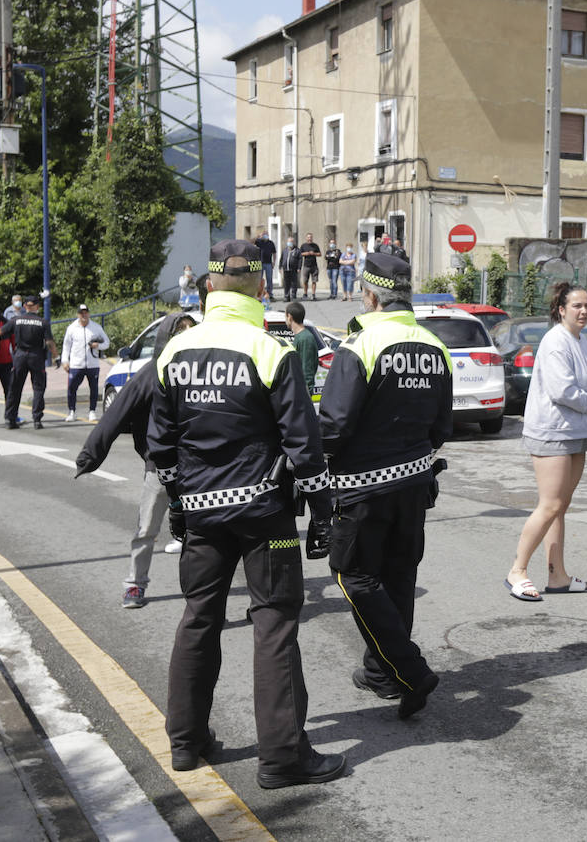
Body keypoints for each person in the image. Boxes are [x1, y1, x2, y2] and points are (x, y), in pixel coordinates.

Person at [147, 238, 342, 788]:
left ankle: (186, 743)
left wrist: (180, 508)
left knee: (199, 619)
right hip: (265, 517)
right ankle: (282, 758)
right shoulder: (272, 352)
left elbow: (159, 449)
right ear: (261, 288)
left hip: (203, 515)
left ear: (209, 286)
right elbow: (306, 450)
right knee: (274, 625)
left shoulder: (172, 353)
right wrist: (323, 514)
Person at [319, 251, 452, 718]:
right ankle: (380, 672)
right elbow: (441, 427)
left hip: (361, 489)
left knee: (353, 574)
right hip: (414, 485)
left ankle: (408, 668)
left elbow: (333, 426)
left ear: (369, 295)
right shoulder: (435, 346)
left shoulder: (360, 345)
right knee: (398, 575)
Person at [76, 312, 197, 608]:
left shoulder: (204, 372)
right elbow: (116, 415)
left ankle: (199, 593)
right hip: (160, 467)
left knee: (202, 536)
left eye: (190, 330)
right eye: (179, 330)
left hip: (199, 468)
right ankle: (135, 584)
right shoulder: (151, 373)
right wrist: (89, 456)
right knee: (147, 529)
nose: (185, 335)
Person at [505, 282, 587, 600]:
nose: (584, 311)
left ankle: (557, 576)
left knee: (561, 506)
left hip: (575, 431)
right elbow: (563, 391)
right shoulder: (556, 341)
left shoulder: (581, 340)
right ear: (561, 310)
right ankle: (517, 570)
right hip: (552, 431)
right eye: (577, 306)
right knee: (549, 506)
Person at [0, 296, 58, 430]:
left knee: (15, 388)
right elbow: (49, 342)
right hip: (36, 356)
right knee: (38, 388)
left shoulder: (16, 320)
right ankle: (37, 420)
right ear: (37, 307)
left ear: (25, 306)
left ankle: (10, 419)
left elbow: (0, 332)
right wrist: (56, 357)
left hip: (20, 356)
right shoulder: (42, 322)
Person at [62, 305, 110, 422]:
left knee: (93, 388)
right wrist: (65, 361)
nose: (84, 315)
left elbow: (107, 343)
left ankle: (92, 411)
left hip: (92, 364)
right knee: (72, 388)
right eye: (81, 313)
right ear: (78, 314)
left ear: (88, 313)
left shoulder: (96, 327)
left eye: (85, 312)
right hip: (76, 364)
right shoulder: (72, 328)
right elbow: (66, 346)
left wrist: (98, 345)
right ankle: (72, 411)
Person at [285, 301, 321, 397]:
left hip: (302, 395)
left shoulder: (305, 339)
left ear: (289, 317)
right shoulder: (300, 337)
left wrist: (305, 397)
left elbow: (307, 371)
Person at [254, 229, 277, 300]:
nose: (265, 235)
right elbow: (251, 242)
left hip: (269, 263)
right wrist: (258, 237)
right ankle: (259, 294)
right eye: (264, 234)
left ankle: (270, 293)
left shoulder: (271, 243)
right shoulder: (259, 242)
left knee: (269, 279)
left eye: (266, 234)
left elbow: (274, 253)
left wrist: (274, 262)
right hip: (260, 263)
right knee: (259, 279)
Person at [299, 233, 322, 300]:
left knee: (314, 281)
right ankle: (305, 294)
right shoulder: (303, 246)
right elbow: (300, 254)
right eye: (308, 237)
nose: (310, 238)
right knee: (305, 281)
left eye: (311, 237)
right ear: (306, 238)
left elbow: (320, 254)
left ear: (312, 238)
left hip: (314, 266)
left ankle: (313, 294)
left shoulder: (315, 245)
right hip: (306, 266)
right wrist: (307, 253)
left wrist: (314, 253)